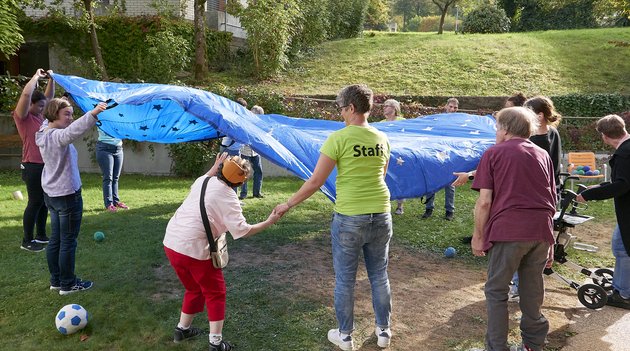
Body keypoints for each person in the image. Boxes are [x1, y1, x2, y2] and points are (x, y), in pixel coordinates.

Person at [273, 84, 393, 350]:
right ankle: (384, 331)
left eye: (341, 108)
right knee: (379, 275)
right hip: (381, 213)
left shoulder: (339, 139)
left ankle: (345, 336)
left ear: (351, 108)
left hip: (350, 215)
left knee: (345, 279)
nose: (340, 114)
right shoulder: (381, 138)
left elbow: (316, 181)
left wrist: (287, 204)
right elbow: (381, 175)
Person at [163, 153, 280, 351]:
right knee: (216, 293)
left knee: (194, 288)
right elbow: (243, 231)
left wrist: (217, 164)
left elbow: (210, 175)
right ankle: (215, 344)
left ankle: (181, 330)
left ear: (220, 169)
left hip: (171, 243)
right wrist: (269, 221)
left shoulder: (203, 180)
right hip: (194, 249)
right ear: (240, 182)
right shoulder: (229, 197)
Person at [470, 106, 556, 351]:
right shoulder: (542, 154)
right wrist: (549, 241)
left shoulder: (494, 153)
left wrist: (478, 236)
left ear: (505, 129)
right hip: (540, 231)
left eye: (497, 127)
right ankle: (533, 344)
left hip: (509, 230)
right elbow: (551, 199)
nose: (496, 132)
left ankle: (497, 347)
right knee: (532, 289)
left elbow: (485, 201)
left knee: (496, 290)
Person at [36, 98, 107, 295]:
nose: (70, 117)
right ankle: (68, 284)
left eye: (71, 113)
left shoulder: (43, 131)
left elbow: (52, 109)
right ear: (53, 114)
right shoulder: (58, 136)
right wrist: (93, 113)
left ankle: (56, 281)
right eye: (66, 114)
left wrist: (52, 82)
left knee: (56, 240)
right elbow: (73, 131)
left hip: (52, 195)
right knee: (67, 241)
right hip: (67, 196)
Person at [576, 114, 630, 310]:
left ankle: (623, 294)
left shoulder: (624, 153)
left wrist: (590, 195)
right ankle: (621, 287)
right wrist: (597, 187)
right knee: (620, 245)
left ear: (605, 135)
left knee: (623, 249)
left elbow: (622, 185)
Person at [13, 69, 54, 252]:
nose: (42, 110)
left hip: (44, 164)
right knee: (35, 201)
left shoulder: (39, 117)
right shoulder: (23, 117)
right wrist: (36, 77)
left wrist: (52, 80)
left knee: (44, 201)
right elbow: (26, 94)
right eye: (39, 106)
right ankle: (27, 240)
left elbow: (49, 99)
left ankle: (41, 235)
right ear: (30, 104)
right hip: (32, 165)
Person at [422, 97, 459, 220]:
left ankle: (449, 210)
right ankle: (429, 208)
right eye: (451, 106)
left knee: (450, 183)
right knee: (432, 181)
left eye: (455, 107)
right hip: (436, 154)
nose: (452, 109)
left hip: (450, 155)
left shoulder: (459, 123)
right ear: (446, 106)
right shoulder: (438, 119)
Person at [380, 99, 406, 214]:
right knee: (386, 179)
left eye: (387, 106)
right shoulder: (380, 124)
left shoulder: (402, 122)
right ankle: (386, 203)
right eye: (384, 106)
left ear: (394, 108)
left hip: (399, 156)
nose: (384, 108)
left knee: (399, 179)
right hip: (385, 155)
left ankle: (400, 206)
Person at [96, 129, 128, 212]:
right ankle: (109, 204)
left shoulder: (118, 116)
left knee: (115, 178)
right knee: (108, 178)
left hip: (118, 148)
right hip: (104, 148)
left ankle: (116, 202)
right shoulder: (101, 116)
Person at [239, 105, 265, 199]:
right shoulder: (245, 122)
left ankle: (257, 193)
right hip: (244, 151)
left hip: (255, 152)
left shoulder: (260, 124)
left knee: (259, 171)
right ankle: (243, 194)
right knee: (244, 172)